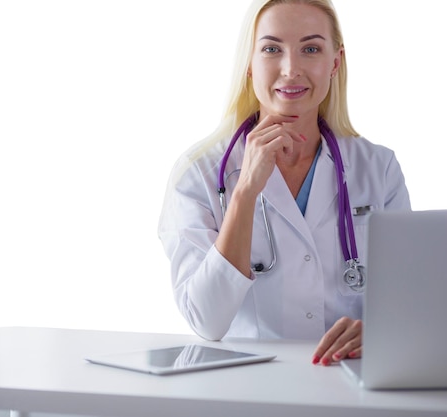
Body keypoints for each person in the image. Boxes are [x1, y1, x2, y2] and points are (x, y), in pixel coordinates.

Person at [157, 0, 410, 366]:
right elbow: (206, 320)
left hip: (350, 383)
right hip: (248, 388)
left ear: (334, 63)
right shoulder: (199, 172)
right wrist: (244, 192)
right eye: (272, 49)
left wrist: (382, 330)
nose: (291, 69)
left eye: (310, 49)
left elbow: (410, 301)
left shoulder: (378, 167)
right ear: (249, 62)